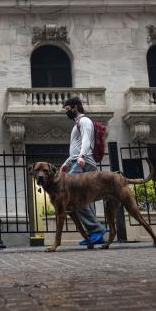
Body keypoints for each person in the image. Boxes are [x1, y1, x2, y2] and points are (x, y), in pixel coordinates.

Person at [60, 96, 108, 246]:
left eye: (68, 109)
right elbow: (75, 147)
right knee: (82, 199)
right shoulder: (77, 124)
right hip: (78, 161)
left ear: (75, 107)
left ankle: (96, 230)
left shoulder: (84, 121)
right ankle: (96, 233)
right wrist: (66, 163)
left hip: (83, 162)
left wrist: (81, 157)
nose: (67, 112)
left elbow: (87, 140)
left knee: (72, 197)